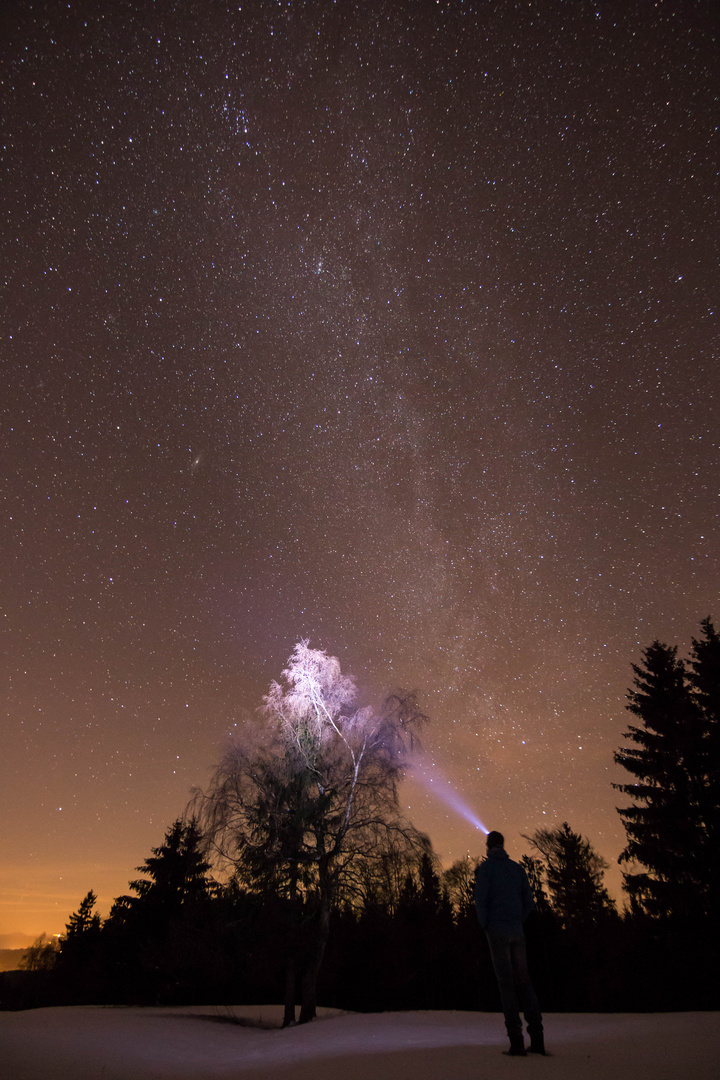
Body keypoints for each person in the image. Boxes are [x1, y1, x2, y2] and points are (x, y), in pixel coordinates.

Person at [474, 830, 545, 1056]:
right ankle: (538, 1039)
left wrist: (486, 924)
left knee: (506, 986)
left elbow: (481, 900)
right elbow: (529, 902)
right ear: (502, 845)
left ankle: (516, 1041)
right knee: (525, 983)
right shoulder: (517, 869)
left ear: (488, 846)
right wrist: (517, 921)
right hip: (517, 931)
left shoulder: (486, 870)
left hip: (497, 932)